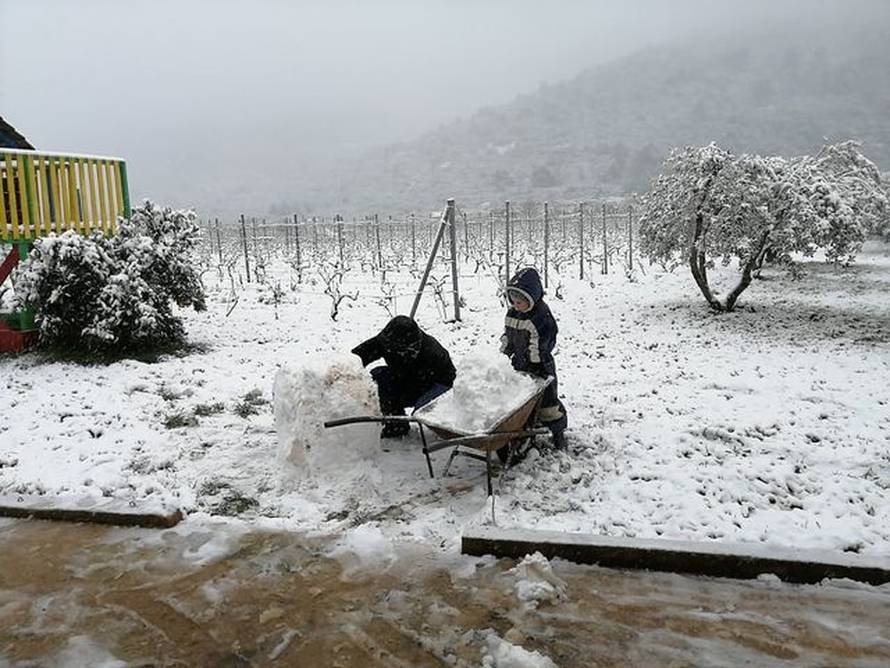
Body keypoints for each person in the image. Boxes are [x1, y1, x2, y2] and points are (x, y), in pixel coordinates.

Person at [352, 315, 456, 438]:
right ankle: (394, 424)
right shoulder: (387, 341)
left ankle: (397, 426)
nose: (388, 350)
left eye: (394, 349)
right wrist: (345, 370)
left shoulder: (431, 353)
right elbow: (358, 356)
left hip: (437, 385)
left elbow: (447, 381)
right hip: (405, 376)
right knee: (378, 376)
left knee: (399, 397)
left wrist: (393, 402)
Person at [500, 267, 568, 450]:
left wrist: (535, 362)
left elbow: (544, 341)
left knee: (548, 405)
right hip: (518, 364)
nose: (515, 305)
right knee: (520, 402)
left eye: (519, 302)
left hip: (540, 366)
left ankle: (558, 433)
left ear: (531, 299)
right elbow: (508, 336)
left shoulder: (541, 316)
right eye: (513, 301)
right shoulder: (512, 313)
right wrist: (504, 354)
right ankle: (525, 427)